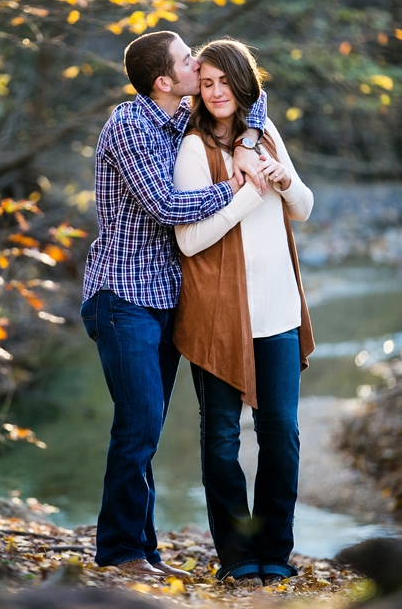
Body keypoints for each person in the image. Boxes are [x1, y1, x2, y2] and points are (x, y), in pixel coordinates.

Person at [80, 30, 271, 577]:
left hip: (165, 299)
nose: (198, 65)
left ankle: (143, 553)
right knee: (138, 426)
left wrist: (244, 142)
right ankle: (121, 553)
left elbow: (251, 93)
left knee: (148, 430)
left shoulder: (182, 118)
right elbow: (166, 205)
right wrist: (237, 187)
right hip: (122, 296)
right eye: (189, 60)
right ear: (165, 81)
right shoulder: (130, 124)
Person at [172, 39, 314, 587]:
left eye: (223, 82)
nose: (215, 92)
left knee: (282, 434)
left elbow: (303, 208)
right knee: (222, 439)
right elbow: (189, 242)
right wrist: (249, 196)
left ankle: (275, 548)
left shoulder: (267, 135)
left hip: (275, 312)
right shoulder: (191, 151)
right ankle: (235, 553)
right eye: (205, 84)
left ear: (243, 82)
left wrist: (280, 179)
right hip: (218, 316)